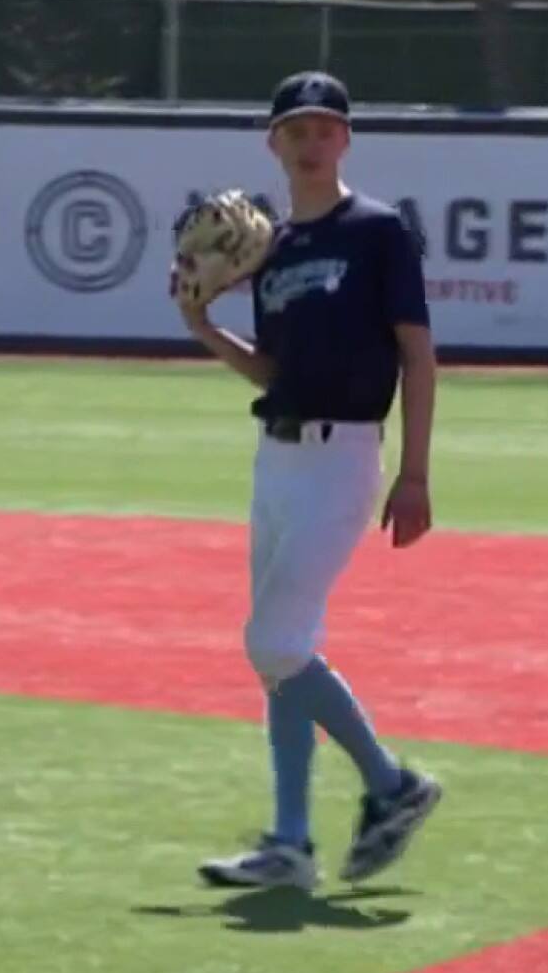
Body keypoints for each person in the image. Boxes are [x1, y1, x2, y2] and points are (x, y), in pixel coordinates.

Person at [175, 71, 444, 890]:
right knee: (282, 657)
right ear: (274, 142)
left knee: (276, 642)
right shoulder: (272, 249)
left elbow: (417, 353)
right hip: (278, 458)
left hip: (346, 456)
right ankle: (290, 843)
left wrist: (416, 473)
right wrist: (201, 325)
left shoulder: (378, 232)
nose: (312, 139)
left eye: (326, 127)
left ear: (346, 140)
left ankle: (393, 784)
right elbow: (272, 369)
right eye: (297, 128)